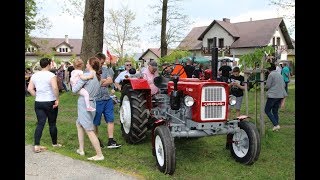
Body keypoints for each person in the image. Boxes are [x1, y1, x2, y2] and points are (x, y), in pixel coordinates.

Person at [71, 56, 104, 161]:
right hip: (92, 103)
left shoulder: (86, 75)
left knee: (89, 130)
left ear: (90, 65)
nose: (86, 64)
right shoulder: (97, 77)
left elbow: (74, 90)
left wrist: (75, 82)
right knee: (79, 123)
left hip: (85, 104)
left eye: (87, 63)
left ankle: (99, 155)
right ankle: (81, 149)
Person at [27, 57, 62, 153]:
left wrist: (37, 96)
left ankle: (36, 145)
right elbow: (55, 88)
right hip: (50, 101)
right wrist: (57, 99)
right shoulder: (51, 75)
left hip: (38, 102)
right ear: (48, 64)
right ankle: (54, 144)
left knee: (40, 123)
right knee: (52, 123)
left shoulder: (34, 75)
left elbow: (30, 89)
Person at [94, 52, 121, 149]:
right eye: (100, 63)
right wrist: (101, 82)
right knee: (95, 122)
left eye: (102, 63)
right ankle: (96, 139)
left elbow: (110, 81)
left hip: (107, 98)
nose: (101, 65)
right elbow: (92, 84)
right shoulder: (90, 70)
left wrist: (100, 82)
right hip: (96, 99)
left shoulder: (105, 69)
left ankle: (111, 140)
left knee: (110, 119)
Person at [265, 63, 287, 131]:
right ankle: (276, 127)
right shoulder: (279, 74)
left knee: (267, 110)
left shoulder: (271, 75)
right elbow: (284, 85)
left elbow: (268, 86)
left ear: (268, 69)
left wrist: (264, 86)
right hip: (280, 95)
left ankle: (276, 124)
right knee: (275, 111)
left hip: (273, 95)